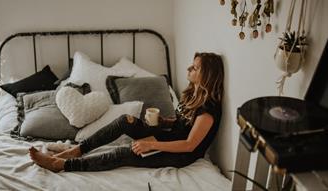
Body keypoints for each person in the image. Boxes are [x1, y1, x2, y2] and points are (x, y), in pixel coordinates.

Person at [29, 52, 225, 172]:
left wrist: (149, 144)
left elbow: (189, 145)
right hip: (168, 138)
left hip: (180, 154)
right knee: (126, 120)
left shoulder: (208, 110)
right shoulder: (192, 95)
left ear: (206, 75)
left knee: (125, 153)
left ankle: (61, 165)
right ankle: (75, 151)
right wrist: (165, 122)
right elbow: (182, 125)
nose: (189, 68)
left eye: (196, 67)